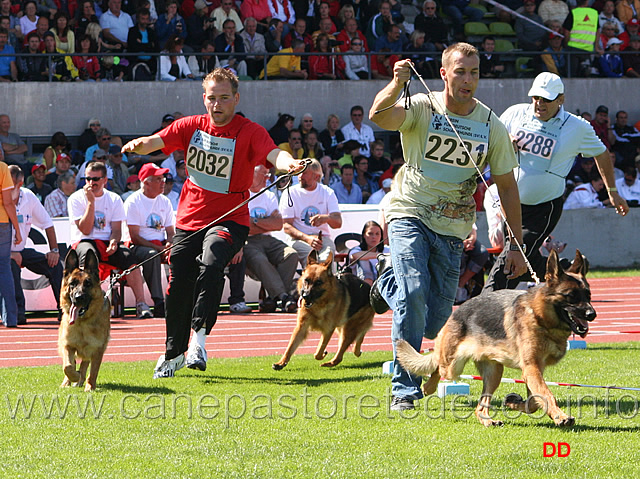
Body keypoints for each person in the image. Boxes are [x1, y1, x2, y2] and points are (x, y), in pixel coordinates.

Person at [368, 45, 527, 411]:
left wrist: (516, 246)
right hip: (410, 212)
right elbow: (379, 115)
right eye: (460, 71)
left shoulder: (491, 125)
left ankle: (384, 282)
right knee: (413, 293)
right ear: (444, 74)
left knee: (436, 320)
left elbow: (507, 187)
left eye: (473, 72)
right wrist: (395, 84)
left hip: (453, 227)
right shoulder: (423, 106)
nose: (467, 79)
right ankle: (403, 390)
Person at [121, 68, 303, 379]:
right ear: (204, 98)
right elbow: (158, 140)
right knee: (178, 282)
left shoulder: (250, 131)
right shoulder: (192, 126)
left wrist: (291, 163)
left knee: (212, 259)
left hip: (230, 219)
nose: (216, 105)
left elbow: (274, 154)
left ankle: (199, 341)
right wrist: (139, 144)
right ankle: (172, 353)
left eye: (223, 99)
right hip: (189, 218)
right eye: (211, 98)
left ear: (235, 99)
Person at [484, 72, 628, 292]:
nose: (539, 104)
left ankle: (486, 302)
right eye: (536, 98)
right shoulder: (514, 113)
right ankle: (567, 272)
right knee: (523, 257)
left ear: (561, 99)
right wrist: (505, 146)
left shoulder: (577, 127)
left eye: (547, 99)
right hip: (511, 203)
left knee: (514, 255)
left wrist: (612, 192)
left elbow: (601, 153)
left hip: (544, 207)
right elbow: (489, 146)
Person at [67, 161, 154, 319]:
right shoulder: (76, 198)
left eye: (95, 179)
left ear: (105, 180)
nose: (91, 183)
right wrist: (91, 202)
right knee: (88, 255)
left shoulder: (114, 199)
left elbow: (116, 230)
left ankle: (141, 304)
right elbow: (85, 230)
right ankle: (86, 303)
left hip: (107, 241)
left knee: (130, 258)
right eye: (87, 179)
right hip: (85, 240)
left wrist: (114, 241)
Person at [7, 165, 63, 324]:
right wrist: (9, 254)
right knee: (11, 264)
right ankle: (17, 313)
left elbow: (48, 224)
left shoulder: (29, 197)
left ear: (20, 183)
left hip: (20, 250)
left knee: (54, 264)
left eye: (10, 185)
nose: (6, 188)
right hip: (4, 253)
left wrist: (54, 250)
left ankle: (65, 309)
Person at [244, 164, 298, 313]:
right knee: (260, 259)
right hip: (248, 241)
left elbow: (278, 224)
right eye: (264, 174)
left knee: (291, 255)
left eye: (268, 174)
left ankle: (274, 299)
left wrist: (254, 221)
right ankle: (283, 297)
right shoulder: (241, 194)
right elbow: (245, 227)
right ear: (252, 175)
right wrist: (266, 222)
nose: (268, 178)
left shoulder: (268, 195)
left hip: (268, 239)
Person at [124, 163, 176, 318]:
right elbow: (134, 236)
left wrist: (170, 243)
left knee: (180, 254)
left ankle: (177, 298)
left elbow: (170, 232)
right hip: (137, 246)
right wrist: (161, 249)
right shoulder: (133, 202)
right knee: (151, 254)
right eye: (158, 179)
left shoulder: (164, 201)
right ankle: (159, 302)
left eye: (163, 178)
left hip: (160, 244)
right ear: (146, 182)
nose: (163, 182)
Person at [280, 158, 342, 268]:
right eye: (299, 173)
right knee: (312, 259)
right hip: (298, 239)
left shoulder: (327, 192)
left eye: (304, 173)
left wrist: (326, 218)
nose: (300, 176)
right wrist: (307, 238)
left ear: (316, 177)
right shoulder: (290, 192)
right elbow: (286, 226)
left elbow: (338, 223)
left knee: (325, 260)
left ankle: (325, 284)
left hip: (322, 239)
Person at [0, 158, 22, 327]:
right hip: (2, 223)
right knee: (4, 269)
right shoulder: (2, 168)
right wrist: (17, 228)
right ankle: (11, 318)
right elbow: (8, 202)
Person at [455, 223, 489, 304]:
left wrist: (471, 240)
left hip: (465, 238)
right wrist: (460, 244)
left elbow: (472, 228)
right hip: (450, 239)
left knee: (482, 253)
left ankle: (462, 282)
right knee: (460, 255)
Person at [348, 220, 388, 285]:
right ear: (364, 235)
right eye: (370, 234)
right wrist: (382, 255)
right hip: (361, 286)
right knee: (363, 261)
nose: (374, 237)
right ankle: (367, 289)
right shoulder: (357, 249)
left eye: (377, 234)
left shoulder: (387, 250)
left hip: (383, 282)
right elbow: (355, 256)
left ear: (381, 236)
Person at [127, 7, 158, 80]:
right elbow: (133, 48)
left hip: (151, 63)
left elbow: (156, 48)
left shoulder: (151, 32)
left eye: (146, 19)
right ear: (137, 19)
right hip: (137, 62)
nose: (145, 21)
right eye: (142, 19)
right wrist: (149, 45)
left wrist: (141, 45)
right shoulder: (133, 31)